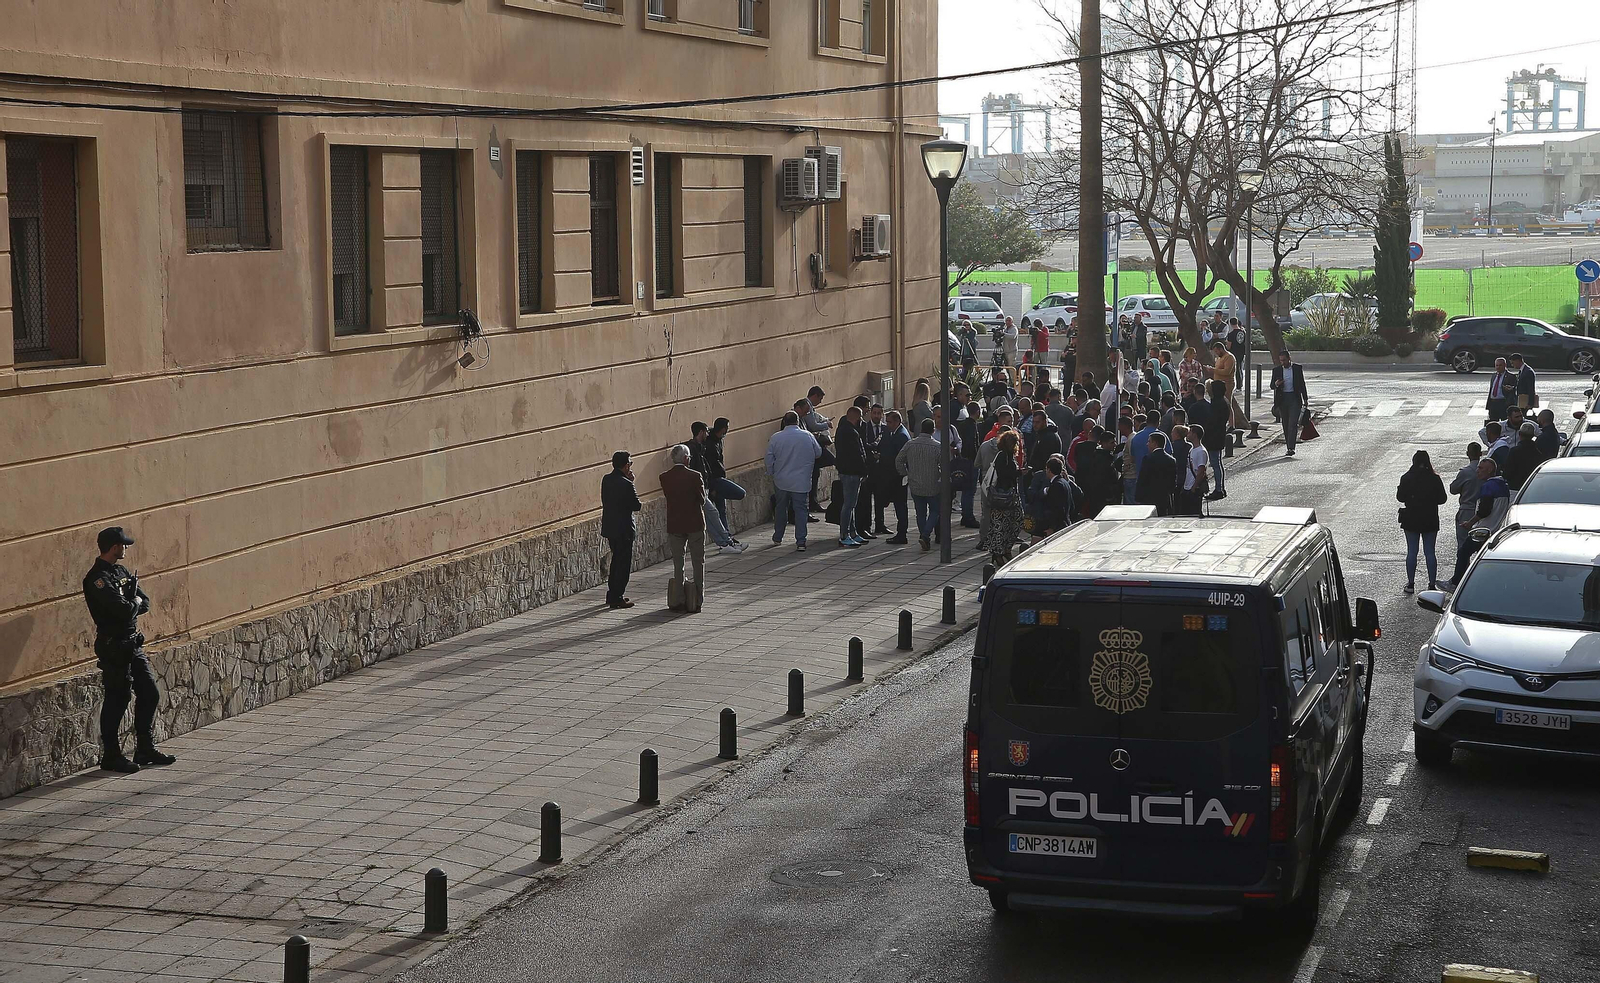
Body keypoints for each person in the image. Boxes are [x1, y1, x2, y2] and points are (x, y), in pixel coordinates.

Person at [82, 527, 174, 773]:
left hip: (133, 644)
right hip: (114, 646)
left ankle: (144, 748)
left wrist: (133, 602)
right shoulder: (97, 579)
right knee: (117, 699)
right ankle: (111, 756)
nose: (125, 548)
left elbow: (145, 602)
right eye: (123, 545)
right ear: (114, 547)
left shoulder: (121, 571)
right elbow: (123, 610)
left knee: (150, 693)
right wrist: (134, 603)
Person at [661, 445, 708, 611]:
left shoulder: (664, 477)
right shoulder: (695, 476)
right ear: (686, 458)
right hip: (694, 523)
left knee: (678, 563)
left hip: (675, 524)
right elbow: (702, 499)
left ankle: (679, 600)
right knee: (698, 562)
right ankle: (697, 600)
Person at [766, 411, 822, 551]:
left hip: (781, 480)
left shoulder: (776, 437)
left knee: (781, 508)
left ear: (784, 422)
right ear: (797, 421)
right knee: (801, 510)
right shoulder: (807, 436)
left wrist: (771, 472)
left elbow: (769, 458)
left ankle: (778, 537)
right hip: (801, 480)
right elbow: (818, 453)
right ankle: (801, 541)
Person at [1396, 450, 1448, 594]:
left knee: (1412, 551)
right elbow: (1442, 499)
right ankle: (1431, 583)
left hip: (1411, 517)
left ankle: (1411, 583)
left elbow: (1400, 497)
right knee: (1430, 551)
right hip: (1430, 518)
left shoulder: (1406, 477)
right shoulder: (1434, 478)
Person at [600, 453, 643, 610]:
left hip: (611, 527)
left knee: (615, 562)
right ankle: (617, 597)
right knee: (623, 565)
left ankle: (612, 594)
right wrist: (631, 482)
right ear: (626, 466)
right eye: (630, 463)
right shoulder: (626, 484)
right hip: (624, 529)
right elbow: (636, 505)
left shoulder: (606, 479)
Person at [1439, 442, 1483, 591]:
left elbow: (1453, 489)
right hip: (1482, 512)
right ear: (1480, 454)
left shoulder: (1466, 472)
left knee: (1463, 547)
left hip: (1466, 510)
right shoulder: (1487, 469)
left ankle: (1460, 580)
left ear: (1467, 454)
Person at [897, 418, 944, 552]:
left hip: (915, 484)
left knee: (920, 513)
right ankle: (925, 534)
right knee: (935, 510)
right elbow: (945, 465)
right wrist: (940, 476)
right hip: (932, 484)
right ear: (933, 430)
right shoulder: (937, 446)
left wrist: (906, 473)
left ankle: (924, 535)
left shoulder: (910, 444)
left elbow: (899, 460)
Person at [981, 431, 1025, 564]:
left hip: (1010, 494)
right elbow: (1004, 475)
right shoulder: (1002, 456)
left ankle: (1006, 548)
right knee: (1000, 524)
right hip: (1002, 495)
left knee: (1016, 521)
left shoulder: (1009, 456)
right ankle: (998, 552)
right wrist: (1019, 473)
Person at [834, 405, 870, 548]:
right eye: (860, 417)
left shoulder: (842, 430)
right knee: (849, 505)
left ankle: (853, 533)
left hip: (847, 472)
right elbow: (857, 454)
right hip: (852, 473)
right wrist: (864, 471)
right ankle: (844, 535)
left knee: (851, 504)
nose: (862, 420)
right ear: (856, 418)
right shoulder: (851, 433)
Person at [875, 410, 912, 544]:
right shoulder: (892, 432)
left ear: (897, 421)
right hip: (891, 476)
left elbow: (900, 458)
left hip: (897, 477)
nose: (887, 424)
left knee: (900, 506)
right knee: (895, 504)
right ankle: (898, 531)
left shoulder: (901, 436)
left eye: (890, 422)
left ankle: (902, 534)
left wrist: (882, 458)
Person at [704, 417, 746, 529]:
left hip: (720, 478)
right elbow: (709, 466)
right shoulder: (710, 443)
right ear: (723, 428)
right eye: (727, 427)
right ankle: (724, 534)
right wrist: (712, 488)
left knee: (722, 510)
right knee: (740, 493)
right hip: (715, 480)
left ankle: (726, 534)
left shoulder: (719, 440)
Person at [799, 386, 833, 512]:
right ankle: (812, 503)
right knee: (828, 461)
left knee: (815, 473)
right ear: (814, 396)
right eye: (820, 399)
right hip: (810, 447)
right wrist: (826, 424)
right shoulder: (807, 406)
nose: (820, 402)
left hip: (811, 446)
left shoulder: (809, 407)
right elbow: (813, 426)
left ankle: (813, 503)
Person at [1271, 350, 1309, 457]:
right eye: (1281, 361)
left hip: (1294, 398)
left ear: (1289, 358)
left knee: (1293, 423)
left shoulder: (1297, 368)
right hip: (1282, 399)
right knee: (1285, 423)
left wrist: (1305, 399)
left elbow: (1302, 384)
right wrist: (1276, 384)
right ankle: (1289, 445)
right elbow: (1272, 386)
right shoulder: (1277, 370)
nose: (1283, 362)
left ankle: (1291, 447)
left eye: (1284, 360)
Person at [859, 402, 886, 537]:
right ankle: (867, 525)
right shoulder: (865, 427)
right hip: (869, 468)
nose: (876, 416)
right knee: (866, 499)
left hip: (880, 469)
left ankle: (880, 524)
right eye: (874, 413)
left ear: (882, 414)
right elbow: (863, 446)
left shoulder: (886, 428)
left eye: (879, 413)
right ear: (870, 413)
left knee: (880, 497)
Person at [1135, 431, 1177, 516]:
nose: (1147, 444)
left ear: (1155, 443)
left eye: (1149, 441)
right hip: (1164, 497)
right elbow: (1173, 481)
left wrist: (1138, 496)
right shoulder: (1171, 460)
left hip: (1149, 497)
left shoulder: (1148, 459)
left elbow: (1142, 479)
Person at [1204, 379, 1232, 500]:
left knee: (1215, 463)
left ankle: (1218, 489)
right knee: (1218, 463)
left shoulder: (1217, 404)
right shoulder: (1223, 401)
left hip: (1214, 437)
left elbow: (1212, 421)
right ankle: (1221, 488)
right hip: (1219, 435)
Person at [1179, 423, 1209, 516]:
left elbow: (1201, 471)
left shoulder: (1201, 451)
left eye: (1189, 432)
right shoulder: (1192, 449)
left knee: (1193, 514)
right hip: (1187, 486)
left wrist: (1194, 487)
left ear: (1194, 434)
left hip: (1193, 488)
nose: (1187, 434)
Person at [1504, 422, 1543, 490]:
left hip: (1515, 486)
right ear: (1533, 435)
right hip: (1531, 487)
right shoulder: (1538, 452)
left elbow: (1507, 472)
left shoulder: (1514, 451)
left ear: (1519, 434)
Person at [1485, 357, 1517, 422]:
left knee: (1504, 422)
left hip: (1503, 403)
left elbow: (1514, 391)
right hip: (1493, 403)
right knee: (1493, 423)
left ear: (1505, 365)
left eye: (1500, 365)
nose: (1498, 367)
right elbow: (1491, 390)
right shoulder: (1494, 376)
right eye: (1496, 365)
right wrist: (1489, 405)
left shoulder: (1511, 376)